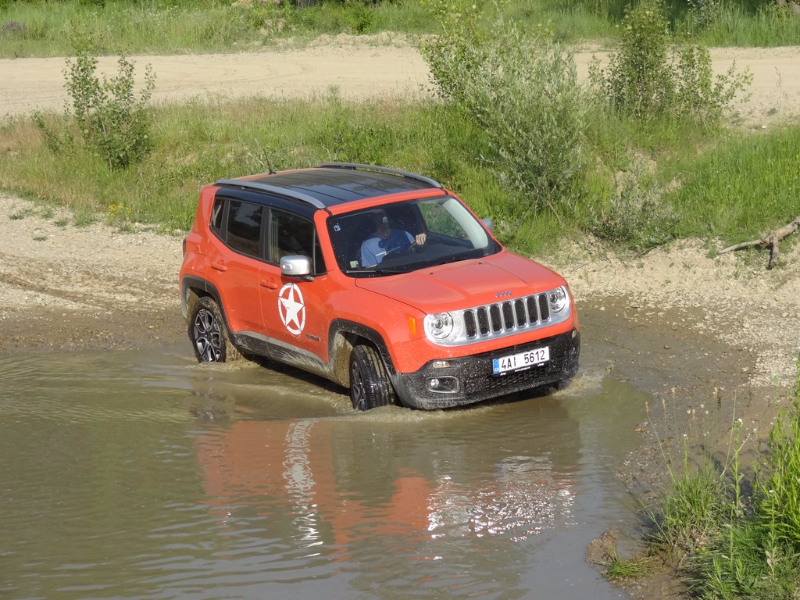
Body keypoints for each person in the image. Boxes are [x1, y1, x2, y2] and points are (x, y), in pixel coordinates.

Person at [360, 210, 426, 268]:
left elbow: (417, 255)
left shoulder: (404, 235)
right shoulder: (367, 245)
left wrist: (421, 242)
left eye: (383, 215)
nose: (383, 218)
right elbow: (372, 272)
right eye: (378, 215)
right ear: (373, 219)